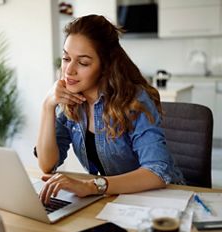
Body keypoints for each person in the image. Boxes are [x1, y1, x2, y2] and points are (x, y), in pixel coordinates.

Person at [36, 15, 184, 204]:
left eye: (82, 62)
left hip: (157, 199)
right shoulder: (70, 100)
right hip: (112, 199)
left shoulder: (134, 101)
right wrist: (47, 106)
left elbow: (157, 172)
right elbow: (47, 165)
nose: (69, 70)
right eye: (66, 58)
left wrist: (91, 186)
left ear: (105, 66)